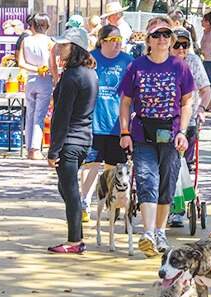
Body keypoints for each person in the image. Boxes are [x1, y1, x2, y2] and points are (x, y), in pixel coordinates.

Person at [117, 17, 196, 257]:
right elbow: (126, 102)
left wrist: (183, 131)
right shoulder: (136, 66)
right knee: (145, 179)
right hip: (142, 131)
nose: (161, 39)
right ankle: (148, 233)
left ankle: (161, 231)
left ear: (171, 40)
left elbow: (187, 102)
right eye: (156, 35)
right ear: (148, 41)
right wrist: (124, 131)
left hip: (171, 133)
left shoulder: (179, 66)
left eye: (166, 34)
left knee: (167, 181)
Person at [47, 28, 99, 254]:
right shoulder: (90, 73)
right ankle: (75, 236)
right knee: (67, 188)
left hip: (70, 140)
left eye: (64, 45)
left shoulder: (72, 76)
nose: (59, 49)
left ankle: (75, 240)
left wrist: (53, 150)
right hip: (83, 139)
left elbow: (62, 115)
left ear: (75, 48)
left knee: (70, 191)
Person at [78, 25, 135, 226]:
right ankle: (84, 202)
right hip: (93, 122)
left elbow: (134, 92)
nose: (117, 43)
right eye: (113, 39)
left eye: (119, 39)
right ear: (102, 41)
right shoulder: (90, 58)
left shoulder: (128, 61)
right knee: (91, 164)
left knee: (113, 167)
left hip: (118, 124)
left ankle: (112, 204)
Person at [168, 28, 211, 228]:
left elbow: (206, 91)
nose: (180, 49)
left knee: (180, 165)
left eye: (185, 45)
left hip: (188, 123)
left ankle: (177, 208)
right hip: (162, 121)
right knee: (165, 166)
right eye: (176, 44)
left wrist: (201, 108)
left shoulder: (193, 61)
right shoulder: (159, 60)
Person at [17, 14, 55, 160]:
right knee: (39, 115)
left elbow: (21, 63)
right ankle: (35, 149)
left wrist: (34, 69)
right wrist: (56, 80)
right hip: (44, 80)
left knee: (30, 115)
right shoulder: (49, 42)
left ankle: (29, 149)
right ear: (45, 25)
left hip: (30, 79)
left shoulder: (25, 41)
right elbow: (53, 65)